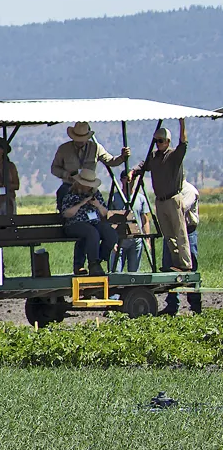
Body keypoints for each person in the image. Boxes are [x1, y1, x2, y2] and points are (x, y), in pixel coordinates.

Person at [132, 122, 192, 271]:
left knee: (179, 232)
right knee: (168, 234)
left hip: (173, 199)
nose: (158, 144)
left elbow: (183, 143)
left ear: (167, 142)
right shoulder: (153, 157)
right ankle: (176, 263)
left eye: (160, 141)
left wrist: (181, 123)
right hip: (160, 200)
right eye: (156, 141)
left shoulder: (174, 156)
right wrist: (132, 171)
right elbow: (142, 166)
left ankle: (185, 264)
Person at [58, 168, 122, 275]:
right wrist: (81, 203)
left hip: (94, 223)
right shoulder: (70, 195)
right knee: (91, 233)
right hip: (75, 224)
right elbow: (66, 214)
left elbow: (105, 213)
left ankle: (99, 260)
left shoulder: (96, 194)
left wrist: (97, 205)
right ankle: (93, 263)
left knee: (111, 234)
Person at [164, 182, 203, 315]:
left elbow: (179, 210)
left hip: (188, 231)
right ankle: (172, 304)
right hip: (173, 232)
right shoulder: (169, 191)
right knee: (169, 268)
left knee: (191, 268)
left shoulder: (190, 191)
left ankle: (195, 305)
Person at [50, 121, 129, 186]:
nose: (80, 141)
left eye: (82, 139)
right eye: (78, 139)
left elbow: (111, 161)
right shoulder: (64, 149)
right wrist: (66, 175)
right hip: (69, 186)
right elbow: (54, 168)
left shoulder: (96, 148)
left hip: (89, 187)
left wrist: (122, 157)